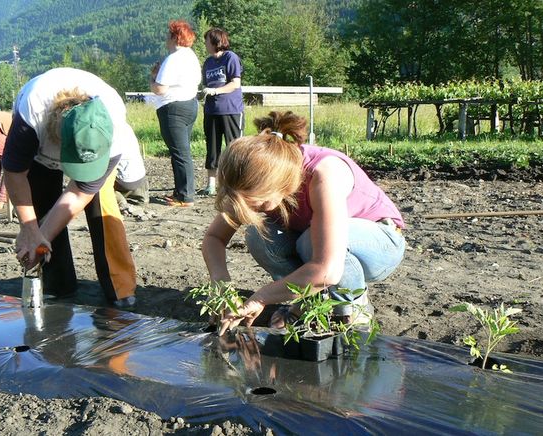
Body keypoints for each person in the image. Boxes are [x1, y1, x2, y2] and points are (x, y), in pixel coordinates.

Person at [201, 111, 406, 335]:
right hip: (317, 243)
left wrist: (262, 297)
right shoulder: (248, 179)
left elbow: (328, 270)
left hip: (380, 244)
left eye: (257, 204)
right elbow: (214, 238)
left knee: (310, 242)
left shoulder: (324, 174)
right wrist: (221, 286)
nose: (249, 210)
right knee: (258, 236)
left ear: (279, 184)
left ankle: (351, 308)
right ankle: (308, 302)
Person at [2, 67, 137, 308]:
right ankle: (59, 286)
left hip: (98, 151)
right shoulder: (32, 115)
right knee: (40, 206)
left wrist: (41, 234)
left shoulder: (115, 132)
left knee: (102, 211)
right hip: (41, 153)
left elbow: (79, 192)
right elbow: (14, 173)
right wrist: (32, 232)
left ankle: (119, 289)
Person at [149, 19, 201, 207]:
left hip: (173, 108)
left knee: (180, 153)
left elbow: (160, 89)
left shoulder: (173, 59)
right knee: (181, 151)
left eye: (168, 35)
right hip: (190, 105)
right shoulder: (191, 56)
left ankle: (185, 195)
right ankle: (181, 191)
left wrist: (153, 77)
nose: (165, 38)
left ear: (174, 37)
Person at [199, 28, 244, 196]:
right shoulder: (208, 62)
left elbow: (235, 83)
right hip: (211, 111)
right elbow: (206, 85)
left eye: (206, 41)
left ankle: (237, 184)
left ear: (216, 42)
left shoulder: (230, 57)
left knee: (234, 147)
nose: (205, 44)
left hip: (230, 109)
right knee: (212, 148)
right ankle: (211, 184)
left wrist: (215, 91)